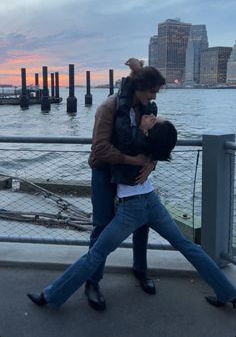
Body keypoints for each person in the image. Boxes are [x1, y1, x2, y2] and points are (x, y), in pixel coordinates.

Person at [27, 74, 236, 310]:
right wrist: (147, 155)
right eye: (152, 92)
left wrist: (146, 154)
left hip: (132, 208)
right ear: (141, 89)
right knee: (187, 247)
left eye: (152, 122)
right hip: (151, 201)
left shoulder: (134, 139)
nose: (153, 106)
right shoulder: (124, 119)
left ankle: (50, 295)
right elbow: (106, 148)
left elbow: (121, 142)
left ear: (146, 135)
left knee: (94, 255)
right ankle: (228, 291)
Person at [84, 62, 166, 310]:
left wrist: (151, 163)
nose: (154, 97)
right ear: (140, 87)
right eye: (152, 91)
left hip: (133, 172)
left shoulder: (145, 108)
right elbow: (99, 149)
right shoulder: (108, 107)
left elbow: (154, 141)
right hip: (104, 172)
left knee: (142, 224)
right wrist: (134, 160)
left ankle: (140, 269)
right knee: (102, 225)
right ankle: (92, 281)